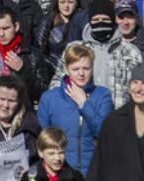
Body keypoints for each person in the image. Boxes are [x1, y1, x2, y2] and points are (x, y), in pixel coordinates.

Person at [51, 0, 143, 109]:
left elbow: (139, 88)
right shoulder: (75, 48)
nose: (100, 22)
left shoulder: (130, 52)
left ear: (113, 20)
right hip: (81, 115)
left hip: (117, 116)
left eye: (105, 19)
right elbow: (57, 81)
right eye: (96, 19)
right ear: (90, 21)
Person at [37, 44, 112, 174]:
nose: (81, 74)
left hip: (92, 170)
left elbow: (105, 134)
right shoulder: (50, 98)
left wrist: (84, 104)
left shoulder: (102, 95)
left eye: (86, 68)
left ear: (92, 68)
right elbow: (42, 139)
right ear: (66, 69)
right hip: (61, 171)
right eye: (75, 69)